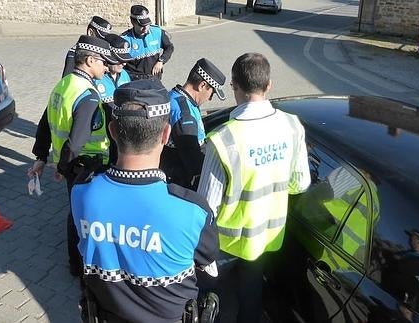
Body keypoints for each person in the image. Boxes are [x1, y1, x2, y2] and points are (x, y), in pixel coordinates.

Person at [71, 79, 219, 322]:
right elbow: (208, 256)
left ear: (112, 131)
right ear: (166, 133)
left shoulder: (82, 193)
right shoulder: (192, 211)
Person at [197, 52, 311, 323]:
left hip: (226, 245)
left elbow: (204, 207)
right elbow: (300, 183)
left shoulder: (224, 140)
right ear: (269, 85)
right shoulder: (292, 126)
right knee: (251, 301)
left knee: (209, 302)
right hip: (266, 239)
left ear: (234, 85)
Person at [28, 35, 113, 277]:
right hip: (87, 166)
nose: (106, 67)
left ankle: (74, 265)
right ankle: (85, 266)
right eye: (102, 62)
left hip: (72, 167)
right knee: (86, 217)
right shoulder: (87, 95)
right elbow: (76, 142)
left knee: (75, 213)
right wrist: (61, 166)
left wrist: (41, 157)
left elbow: (44, 124)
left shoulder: (62, 85)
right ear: (89, 61)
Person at [160, 58, 226, 189]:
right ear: (202, 85)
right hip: (181, 184)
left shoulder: (175, 97)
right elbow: (194, 162)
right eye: (211, 93)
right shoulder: (184, 114)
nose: (210, 98)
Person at [94, 33, 133, 165]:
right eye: (119, 59)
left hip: (120, 139)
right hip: (100, 143)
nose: (124, 63)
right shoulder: (96, 78)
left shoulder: (125, 75)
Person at [121, 4, 174, 80]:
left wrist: (161, 61)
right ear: (132, 22)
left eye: (147, 24)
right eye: (142, 25)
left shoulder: (157, 32)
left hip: (154, 78)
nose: (145, 29)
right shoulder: (124, 40)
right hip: (135, 80)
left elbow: (169, 47)